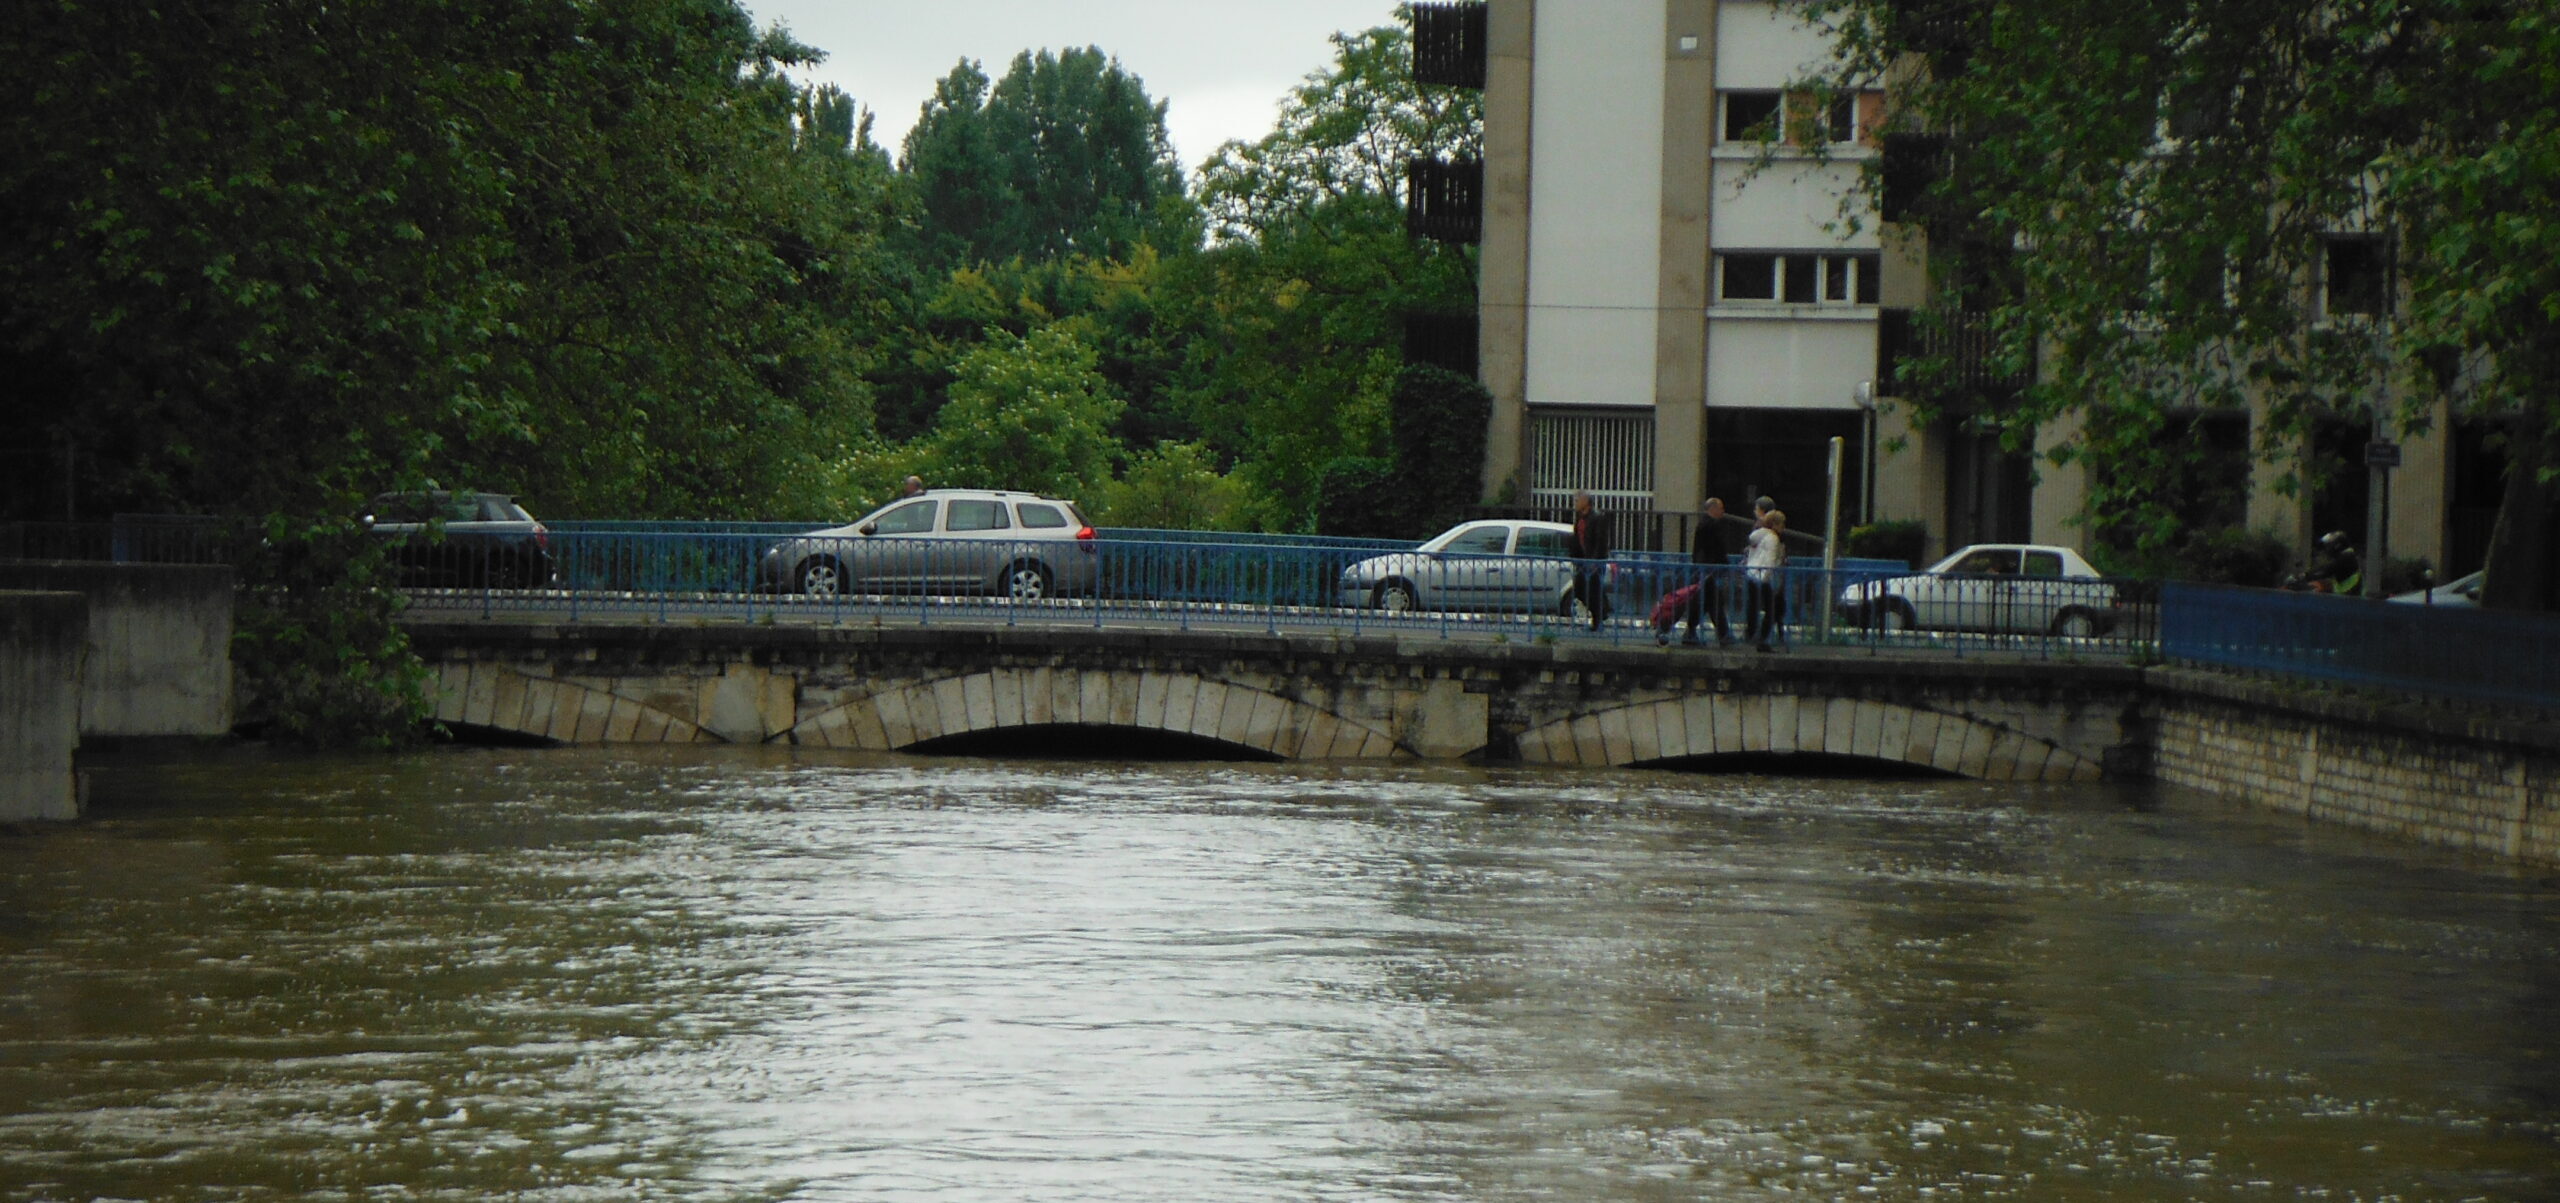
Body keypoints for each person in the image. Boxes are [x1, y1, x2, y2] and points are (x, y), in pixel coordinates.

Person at [1683, 497, 1742, 646]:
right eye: (1720, 508)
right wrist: (1723, 565)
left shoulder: (1704, 524)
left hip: (1705, 570)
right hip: (1709, 570)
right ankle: (1721, 635)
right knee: (1712, 601)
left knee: (1708, 602)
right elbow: (1716, 549)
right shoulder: (1710, 526)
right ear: (1713, 509)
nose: (1723, 511)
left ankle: (1694, 633)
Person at [1744, 508, 1788, 652]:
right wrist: (1769, 578)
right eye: (1781, 524)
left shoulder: (1757, 536)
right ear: (1775, 525)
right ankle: (1763, 640)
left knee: (1754, 606)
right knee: (1772, 610)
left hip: (1752, 574)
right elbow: (1770, 560)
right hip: (1764, 577)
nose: (1783, 527)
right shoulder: (1773, 538)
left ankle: (1752, 635)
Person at [1569, 490, 1613, 631]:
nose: (1575, 503)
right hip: (1583, 561)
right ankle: (1602, 611)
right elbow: (1577, 539)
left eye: (1577, 500)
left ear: (1586, 502)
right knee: (1580, 589)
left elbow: (1601, 541)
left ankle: (1598, 620)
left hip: (1595, 561)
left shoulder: (1597, 517)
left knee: (1594, 590)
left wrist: (1596, 561)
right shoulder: (1580, 518)